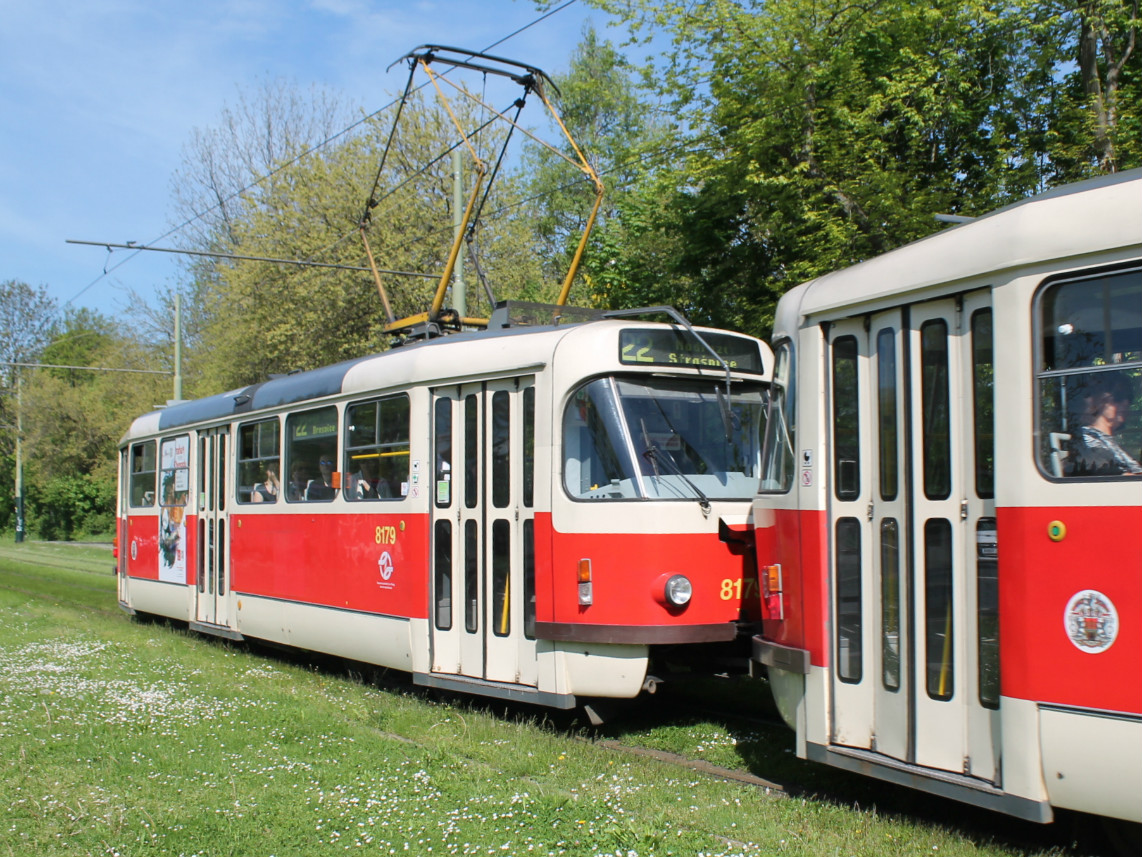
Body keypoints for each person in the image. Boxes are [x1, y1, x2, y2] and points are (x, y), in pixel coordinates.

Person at [1069, 372, 1142, 476]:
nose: (1126, 403)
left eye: (1129, 398)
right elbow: (1116, 477)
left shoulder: (1110, 442)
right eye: (1119, 396)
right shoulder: (1088, 439)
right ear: (1100, 400)